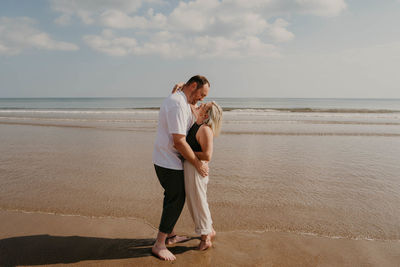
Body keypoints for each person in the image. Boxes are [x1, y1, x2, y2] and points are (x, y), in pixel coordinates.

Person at [152, 75, 210, 261]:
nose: (202, 99)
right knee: (176, 199)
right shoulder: (178, 103)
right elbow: (179, 142)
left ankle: (170, 236)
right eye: (201, 94)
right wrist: (197, 163)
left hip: (165, 158)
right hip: (168, 160)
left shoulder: (181, 100)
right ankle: (159, 244)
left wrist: (176, 89)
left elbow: (186, 114)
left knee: (171, 197)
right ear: (193, 86)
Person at [184, 101, 222, 250]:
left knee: (198, 204)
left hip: (196, 171)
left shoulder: (205, 129)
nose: (199, 105)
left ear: (206, 114)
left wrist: (185, 151)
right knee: (198, 203)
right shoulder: (197, 123)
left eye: (203, 106)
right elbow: (190, 105)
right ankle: (210, 230)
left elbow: (207, 155)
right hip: (193, 169)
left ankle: (206, 239)